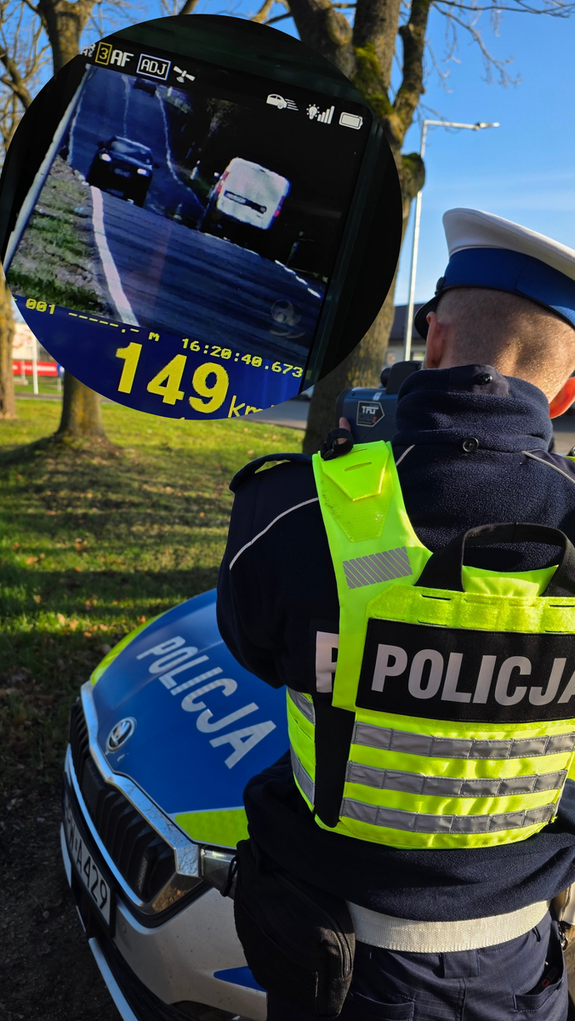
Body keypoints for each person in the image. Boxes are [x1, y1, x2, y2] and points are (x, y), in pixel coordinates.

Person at [217, 208, 575, 1021]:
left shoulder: (295, 508)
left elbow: (252, 644)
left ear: (433, 340)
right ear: (568, 385)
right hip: (522, 966)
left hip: (336, 962)